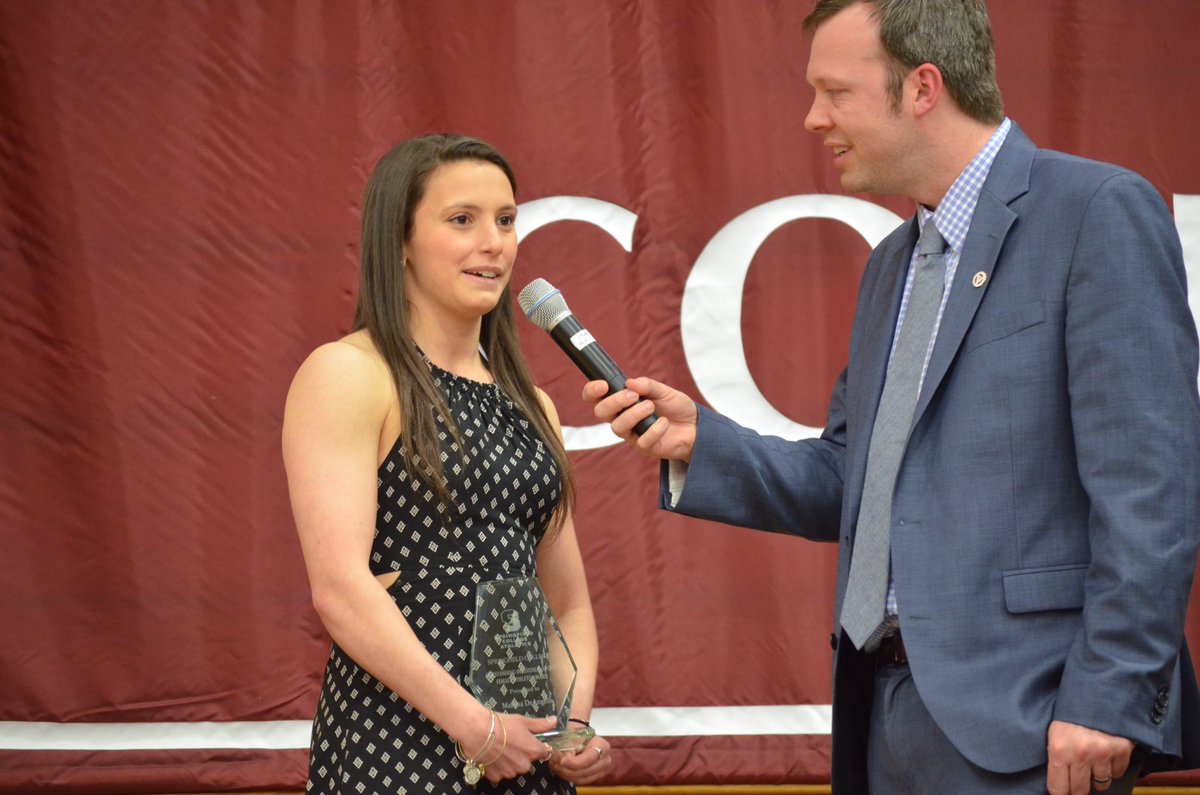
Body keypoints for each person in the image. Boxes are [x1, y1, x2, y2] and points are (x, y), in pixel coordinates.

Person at [585, 2, 1200, 794]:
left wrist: (1110, 695)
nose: (813, 119)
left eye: (834, 91)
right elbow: (858, 481)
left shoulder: (1096, 212)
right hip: (880, 717)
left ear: (922, 87)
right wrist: (700, 444)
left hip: (1034, 724)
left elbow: (1150, 487)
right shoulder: (891, 266)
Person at [283, 133, 612, 794]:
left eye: (506, 220)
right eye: (462, 220)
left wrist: (568, 729)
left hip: (523, 752)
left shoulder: (533, 405)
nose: (494, 242)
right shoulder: (349, 372)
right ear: (399, 240)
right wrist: (476, 726)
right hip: (397, 742)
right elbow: (342, 589)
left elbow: (567, 600)